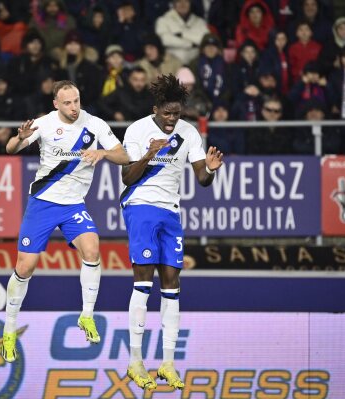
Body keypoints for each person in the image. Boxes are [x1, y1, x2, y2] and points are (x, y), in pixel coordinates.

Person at [1, 80, 130, 362]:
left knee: (93, 249)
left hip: (73, 205)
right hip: (43, 202)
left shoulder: (94, 124)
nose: (74, 107)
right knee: (26, 266)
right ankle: (9, 329)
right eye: (68, 103)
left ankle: (86, 316)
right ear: (56, 104)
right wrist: (19, 137)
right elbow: (11, 149)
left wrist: (103, 152)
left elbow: (124, 155)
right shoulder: (43, 124)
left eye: (77, 100)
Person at [120, 74, 223, 391]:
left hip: (171, 212)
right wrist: (150, 154)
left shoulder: (189, 133)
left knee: (172, 284)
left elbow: (201, 180)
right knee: (143, 281)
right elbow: (127, 177)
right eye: (167, 113)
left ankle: (167, 363)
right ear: (156, 109)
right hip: (141, 207)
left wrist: (210, 171)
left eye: (176, 114)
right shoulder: (137, 130)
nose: (172, 119)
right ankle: (136, 360)